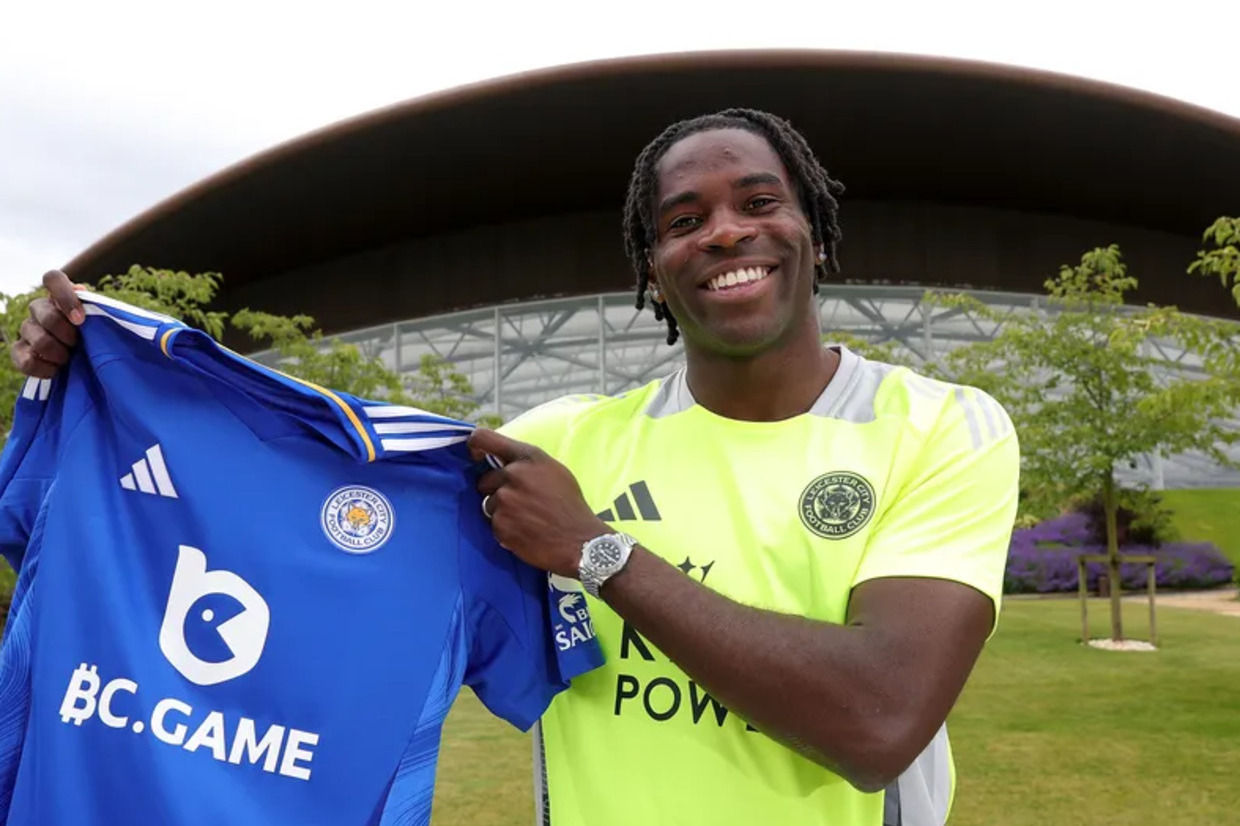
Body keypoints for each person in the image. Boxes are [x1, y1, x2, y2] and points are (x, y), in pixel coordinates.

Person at [13, 108, 1020, 826]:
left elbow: (877, 721)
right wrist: (117, 384)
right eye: (683, 220)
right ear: (652, 266)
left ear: (815, 231)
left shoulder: (940, 428)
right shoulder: (559, 441)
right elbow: (307, 504)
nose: (724, 232)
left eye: (760, 201)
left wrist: (598, 554)